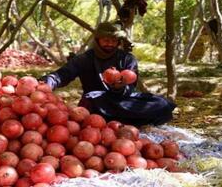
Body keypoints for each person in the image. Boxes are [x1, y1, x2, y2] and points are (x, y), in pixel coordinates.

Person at [41, 21, 175, 126]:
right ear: (98, 40)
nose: (109, 44)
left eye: (113, 41)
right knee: (93, 100)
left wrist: (119, 87)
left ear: (118, 42)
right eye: (106, 40)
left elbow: (130, 87)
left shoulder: (127, 58)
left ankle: (120, 119)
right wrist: (45, 82)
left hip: (122, 101)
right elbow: (63, 75)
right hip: (98, 102)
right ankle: (127, 120)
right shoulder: (84, 58)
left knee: (162, 104)